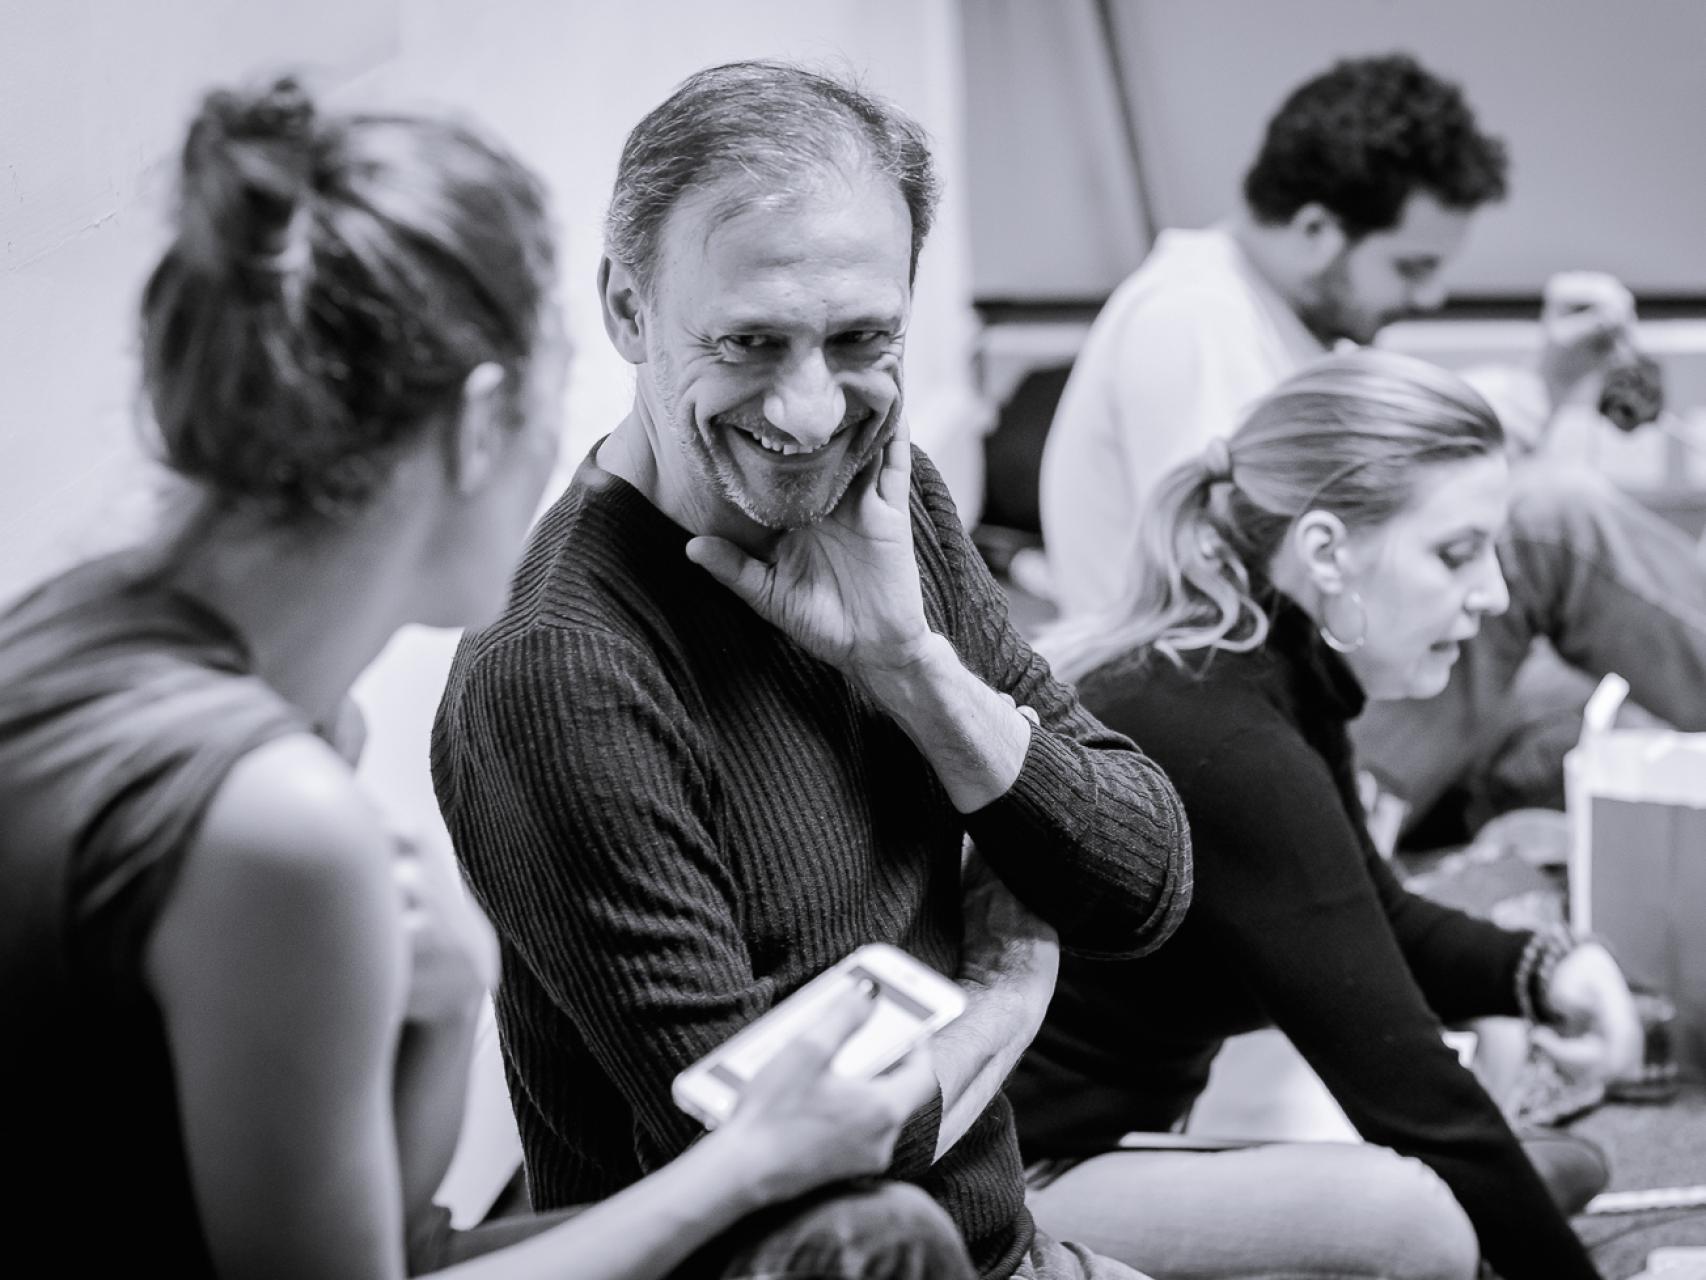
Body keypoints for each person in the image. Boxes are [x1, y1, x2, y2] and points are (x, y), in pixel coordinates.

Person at [0, 77, 982, 1280]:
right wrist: (751, 1160)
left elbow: (379, 1235)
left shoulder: (97, 631)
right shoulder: (279, 815)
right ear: (479, 424)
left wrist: (449, 1003)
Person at [431, 61, 1192, 1280]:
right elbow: (786, 1176)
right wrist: (1006, 987)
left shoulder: (882, 497)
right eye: (749, 342)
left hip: (1001, 1243)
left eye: (857, 340)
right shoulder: (560, 673)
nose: (805, 413)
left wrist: (909, 665)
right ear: (627, 310)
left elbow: (1140, 878)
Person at [1011, 349, 1644, 1280]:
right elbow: (1406, 1090)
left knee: (1487, 1175)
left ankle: (1483, 1208)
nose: (1496, 594)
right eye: (1457, 553)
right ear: (1324, 552)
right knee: (1417, 1221)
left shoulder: (1242, 674)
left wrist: (1547, 967)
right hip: (1012, 1189)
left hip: (1091, 1142)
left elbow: (1369, 920)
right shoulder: (1230, 742)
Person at [1038, 52, 1706, 837]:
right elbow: (1267, 599)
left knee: (1592, 714)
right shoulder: (1195, 325)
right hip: (1249, 741)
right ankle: (1380, 827)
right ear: (1317, 229)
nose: (1429, 296)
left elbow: (1403, 465)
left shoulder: (1268, 318)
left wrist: (1548, 382)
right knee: (1553, 522)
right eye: (1412, 266)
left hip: (1319, 698)